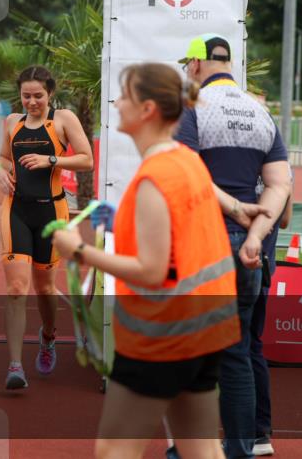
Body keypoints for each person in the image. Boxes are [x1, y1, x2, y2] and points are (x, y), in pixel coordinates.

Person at [51, 61, 241, 459]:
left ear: (147, 109)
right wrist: (121, 221)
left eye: (125, 96)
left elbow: (152, 271)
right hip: (207, 327)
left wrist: (79, 251)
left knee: (114, 450)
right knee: (202, 448)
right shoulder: (187, 161)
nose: (117, 103)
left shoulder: (155, 176)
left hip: (163, 334)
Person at [175, 34, 292, 459]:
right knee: (237, 354)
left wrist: (234, 209)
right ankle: (241, 448)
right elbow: (280, 185)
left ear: (195, 65)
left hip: (204, 243)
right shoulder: (260, 112)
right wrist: (255, 234)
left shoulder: (191, 108)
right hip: (248, 251)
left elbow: (187, 175)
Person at [0, 65, 93, 389]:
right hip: (16, 210)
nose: (32, 102)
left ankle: (48, 337)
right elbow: (3, 159)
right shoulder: (12, 122)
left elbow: (87, 159)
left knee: (45, 289)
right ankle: (15, 366)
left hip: (51, 212)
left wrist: (51, 160)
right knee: (16, 288)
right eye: (26, 96)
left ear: (50, 93)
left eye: (38, 96)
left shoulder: (63, 119)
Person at [250, 167, 293, 457]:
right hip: (264, 263)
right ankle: (260, 431)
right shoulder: (282, 167)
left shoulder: (232, 159)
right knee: (252, 347)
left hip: (236, 262)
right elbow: (286, 220)